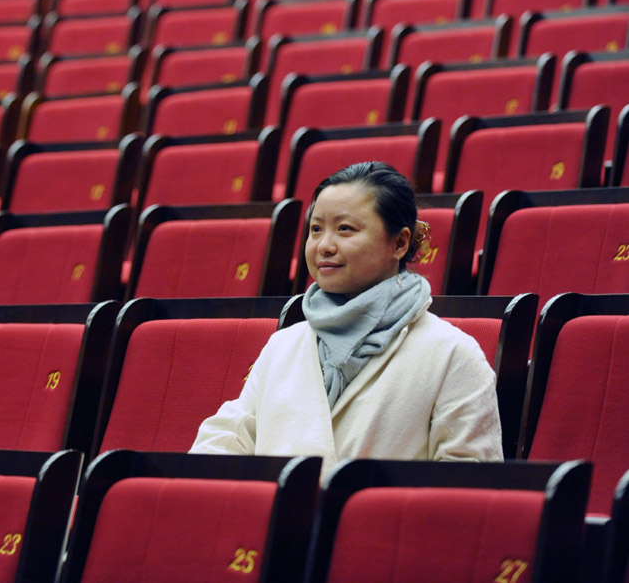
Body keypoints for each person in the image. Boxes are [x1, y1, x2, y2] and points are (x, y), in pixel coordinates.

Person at [190, 162, 502, 473]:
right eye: (316, 229)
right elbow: (228, 440)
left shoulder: (454, 355)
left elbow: (466, 488)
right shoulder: (283, 345)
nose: (324, 246)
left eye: (345, 229)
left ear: (400, 243)